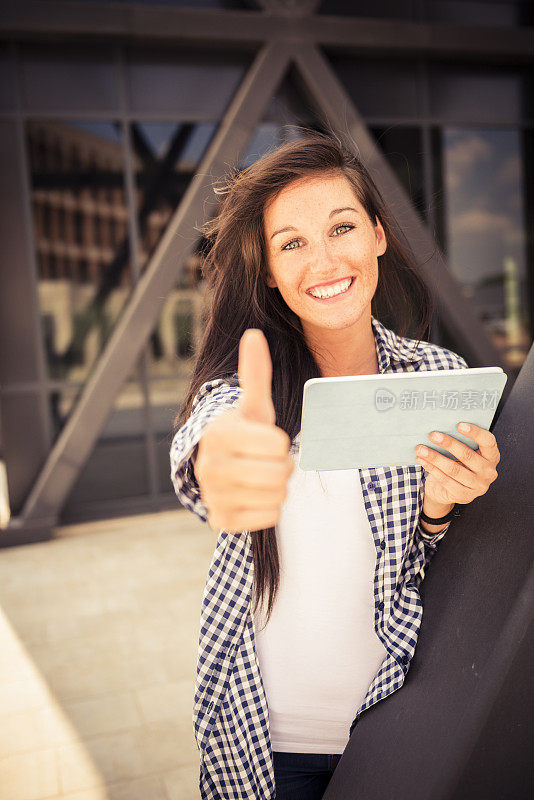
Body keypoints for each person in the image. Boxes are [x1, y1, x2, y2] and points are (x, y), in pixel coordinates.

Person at [169, 131, 501, 800]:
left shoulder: (439, 378)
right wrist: (223, 466)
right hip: (268, 744)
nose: (323, 259)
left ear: (378, 234)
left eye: (341, 227)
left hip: (400, 725)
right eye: (291, 242)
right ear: (266, 268)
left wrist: (441, 508)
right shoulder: (243, 389)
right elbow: (215, 437)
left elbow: (437, 577)